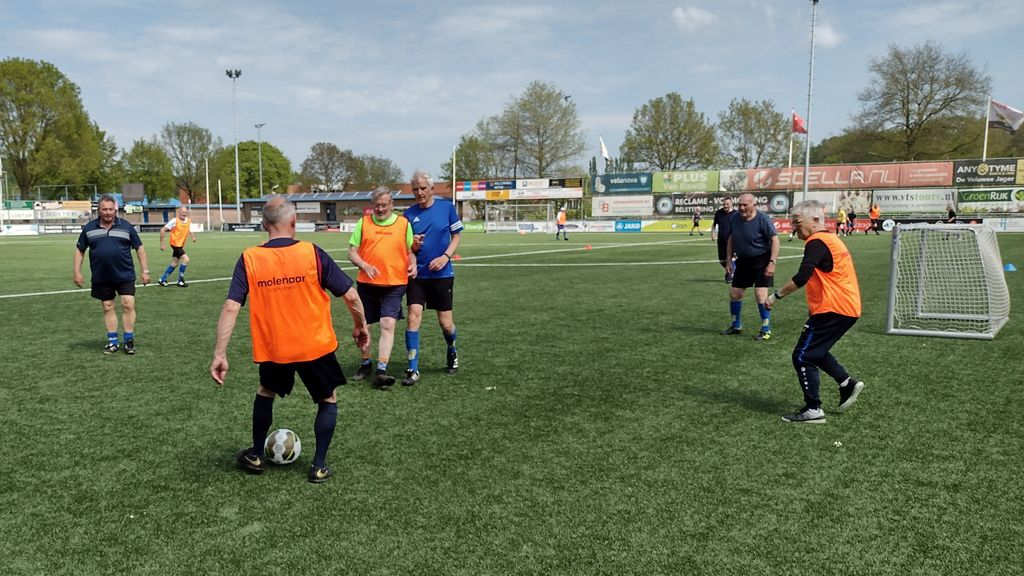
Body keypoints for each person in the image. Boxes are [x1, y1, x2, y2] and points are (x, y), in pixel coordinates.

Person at [210, 195, 370, 483]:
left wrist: (220, 353)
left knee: (266, 391)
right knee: (327, 398)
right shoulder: (312, 253)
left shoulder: (250, 258)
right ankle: (318, 467)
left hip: (275, 346)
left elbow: (231, 306)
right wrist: (361, 326)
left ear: (264, 224)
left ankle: (256, 454)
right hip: (314, 344)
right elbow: (351, 295)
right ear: (293, 221)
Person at [766, 200, 864, 423]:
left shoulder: (817, 241)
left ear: (816, 220)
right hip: (845, 308)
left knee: (802, 356)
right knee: (815, 351)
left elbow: (803, 276)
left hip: (834, 308)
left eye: (797, 222)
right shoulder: (830, 239)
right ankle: (846, 383)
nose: (794, 227)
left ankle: (813, 410)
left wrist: (775, 296)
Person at [347, 187, 416, 388]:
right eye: (376, 205)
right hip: (367, 284)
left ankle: (381, 370)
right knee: (364, 327)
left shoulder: (403, 224)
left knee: (387, 323)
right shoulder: (363, 223)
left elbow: (410, 252)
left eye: (384, 205)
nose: (380, 209)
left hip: (395, 284)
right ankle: (365, 363)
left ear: (391, 205)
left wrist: (413, 264)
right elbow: (352, 252)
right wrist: (365, 265)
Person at [403, 170, 464, 386]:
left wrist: (445, 257)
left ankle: (451, 348)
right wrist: (413, 247)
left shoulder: (446, 208)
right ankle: (412, 369)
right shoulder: (408, 215)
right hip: (417, 275)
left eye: (422, 188)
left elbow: (456, 236)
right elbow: (407, 247)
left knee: (446, 324)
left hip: (442, 275)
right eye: (415, 189)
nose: (419, 192)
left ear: (431, 188)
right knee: (413, 318)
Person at [73, 194, 151, 355]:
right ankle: (113, 341)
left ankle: (128, 340)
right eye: (104, 209)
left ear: (115, 210)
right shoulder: (89, 228)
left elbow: (140, 248)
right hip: (102, 275)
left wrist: (145, 271)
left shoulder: (126, 226)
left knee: (128, 304)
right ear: (99, 210)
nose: (108, 212)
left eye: (110, 209)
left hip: (124, 273)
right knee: (107, 306)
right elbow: (80, 250)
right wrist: (77, 272)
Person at [722, 193, 779, 341]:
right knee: (735, 293)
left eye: (745, 205)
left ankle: (766, 329)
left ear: (754, 205)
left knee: (760, 295)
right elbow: (731, 239)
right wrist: (729, 260)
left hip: (762, 261)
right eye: (739, 205)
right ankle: (736, 326)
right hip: (743, 261)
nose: (741, 208)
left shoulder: (763, 219)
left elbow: (775, 240)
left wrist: (772, 262)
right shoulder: (735, 218)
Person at [158, 206, 197, 287]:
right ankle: (180, 280)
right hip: (175, 244)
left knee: (175, 263)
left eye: (185, 212)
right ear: (179, 212)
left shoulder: (188, 221)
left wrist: (193, 236)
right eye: (182, 212)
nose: (184, 214)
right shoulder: (174, 221)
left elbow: (190, 229)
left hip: (180, 245)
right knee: (186, 259)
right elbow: (162, 230)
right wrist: (162, 243)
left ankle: (162, 279)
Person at [711, 197, 734, 283]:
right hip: (721, 240)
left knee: (731, 258)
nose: (725, 206)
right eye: (724, 204)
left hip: (732, 240)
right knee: (721, 260)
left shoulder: (736, 214)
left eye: (727, 204)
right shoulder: (719, 213)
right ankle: (730, 271)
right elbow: (714, 225)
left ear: (731, 204)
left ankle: (729, 274)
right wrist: (713, 233)